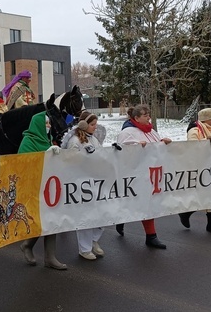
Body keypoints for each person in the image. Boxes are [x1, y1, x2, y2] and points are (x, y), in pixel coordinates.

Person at [115, 105, 171, 249]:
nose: (148, 117)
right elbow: (121, 151)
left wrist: (163, 143)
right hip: (135, 174)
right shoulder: (128, 132)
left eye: (148, 114)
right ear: (136, 118)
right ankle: (121, 220)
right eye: (145, 115)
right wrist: (135, 146)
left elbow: (155, 150)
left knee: (148, 204)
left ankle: (150, 236)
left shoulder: (152, 131)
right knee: (135, 203)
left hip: (151, 173)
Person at [18, 111, 67, 270]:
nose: (48, 126)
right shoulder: (28, 141)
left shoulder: (48, 140)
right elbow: (23, 164)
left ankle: (50, 257)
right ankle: (27, 244)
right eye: (45, 124)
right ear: (38, 124)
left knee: (52, 220)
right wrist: (44, 156)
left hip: (50, 187)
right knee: (40, 221)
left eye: (49, 124)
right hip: (34, 187)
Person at [61, 113, 108, 260]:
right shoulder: (75, 140)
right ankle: (85, 248)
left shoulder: (93, 139)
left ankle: (93, 240)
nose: (95, 127)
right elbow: (70, 162)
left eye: (96, 124)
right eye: (92, 124)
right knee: (86, 217)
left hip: (96, 181)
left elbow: (101, 156)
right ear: (84, 124)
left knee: (105, 213)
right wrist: (84, 156)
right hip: (81, 183)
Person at [177, 108, 211, 233]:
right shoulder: (194, 130)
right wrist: (207, 142)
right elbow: (192, 147)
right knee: (202, 195)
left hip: (210, 166)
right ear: (204, 119)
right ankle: (186, 213)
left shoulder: (210, 129)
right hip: (199, 168)